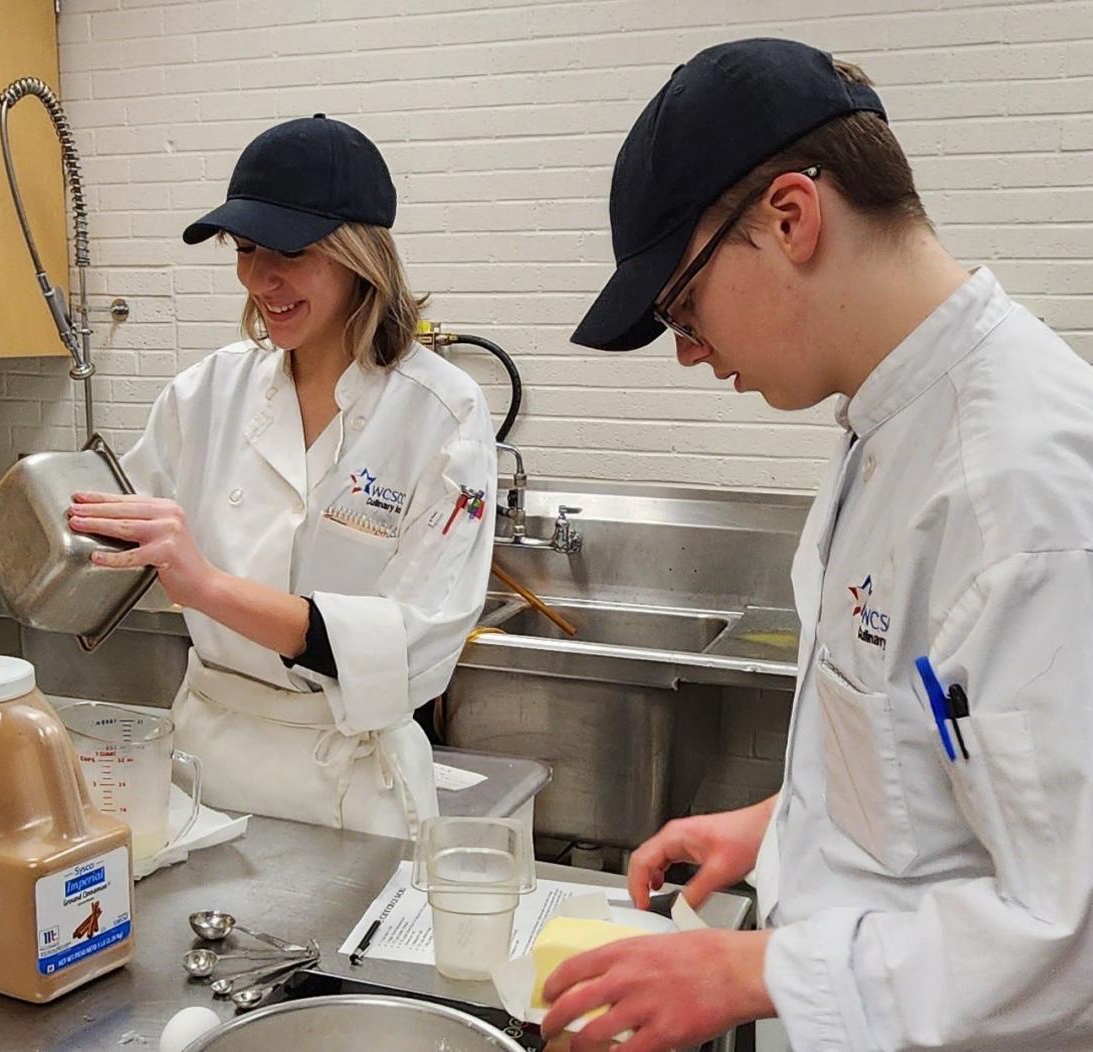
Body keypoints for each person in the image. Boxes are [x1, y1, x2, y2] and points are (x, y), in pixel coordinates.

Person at [541, 37, 1093, 1052]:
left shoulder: (1027, 486)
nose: (691, 354)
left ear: (791, 218)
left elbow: (1071, 931)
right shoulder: (888, 422)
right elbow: (928, 765)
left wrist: (751, 964)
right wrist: (778, 824)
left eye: (683, 304)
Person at [67, 114, 497, 841]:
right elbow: (107, 542)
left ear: (360, 255)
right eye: (246, 249)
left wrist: (205, 585)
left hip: (353, 785)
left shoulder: (442, 414)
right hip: (209, 768)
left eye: (291, 251)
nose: (261, 278)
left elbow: (410, 646)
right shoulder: (206, 394)